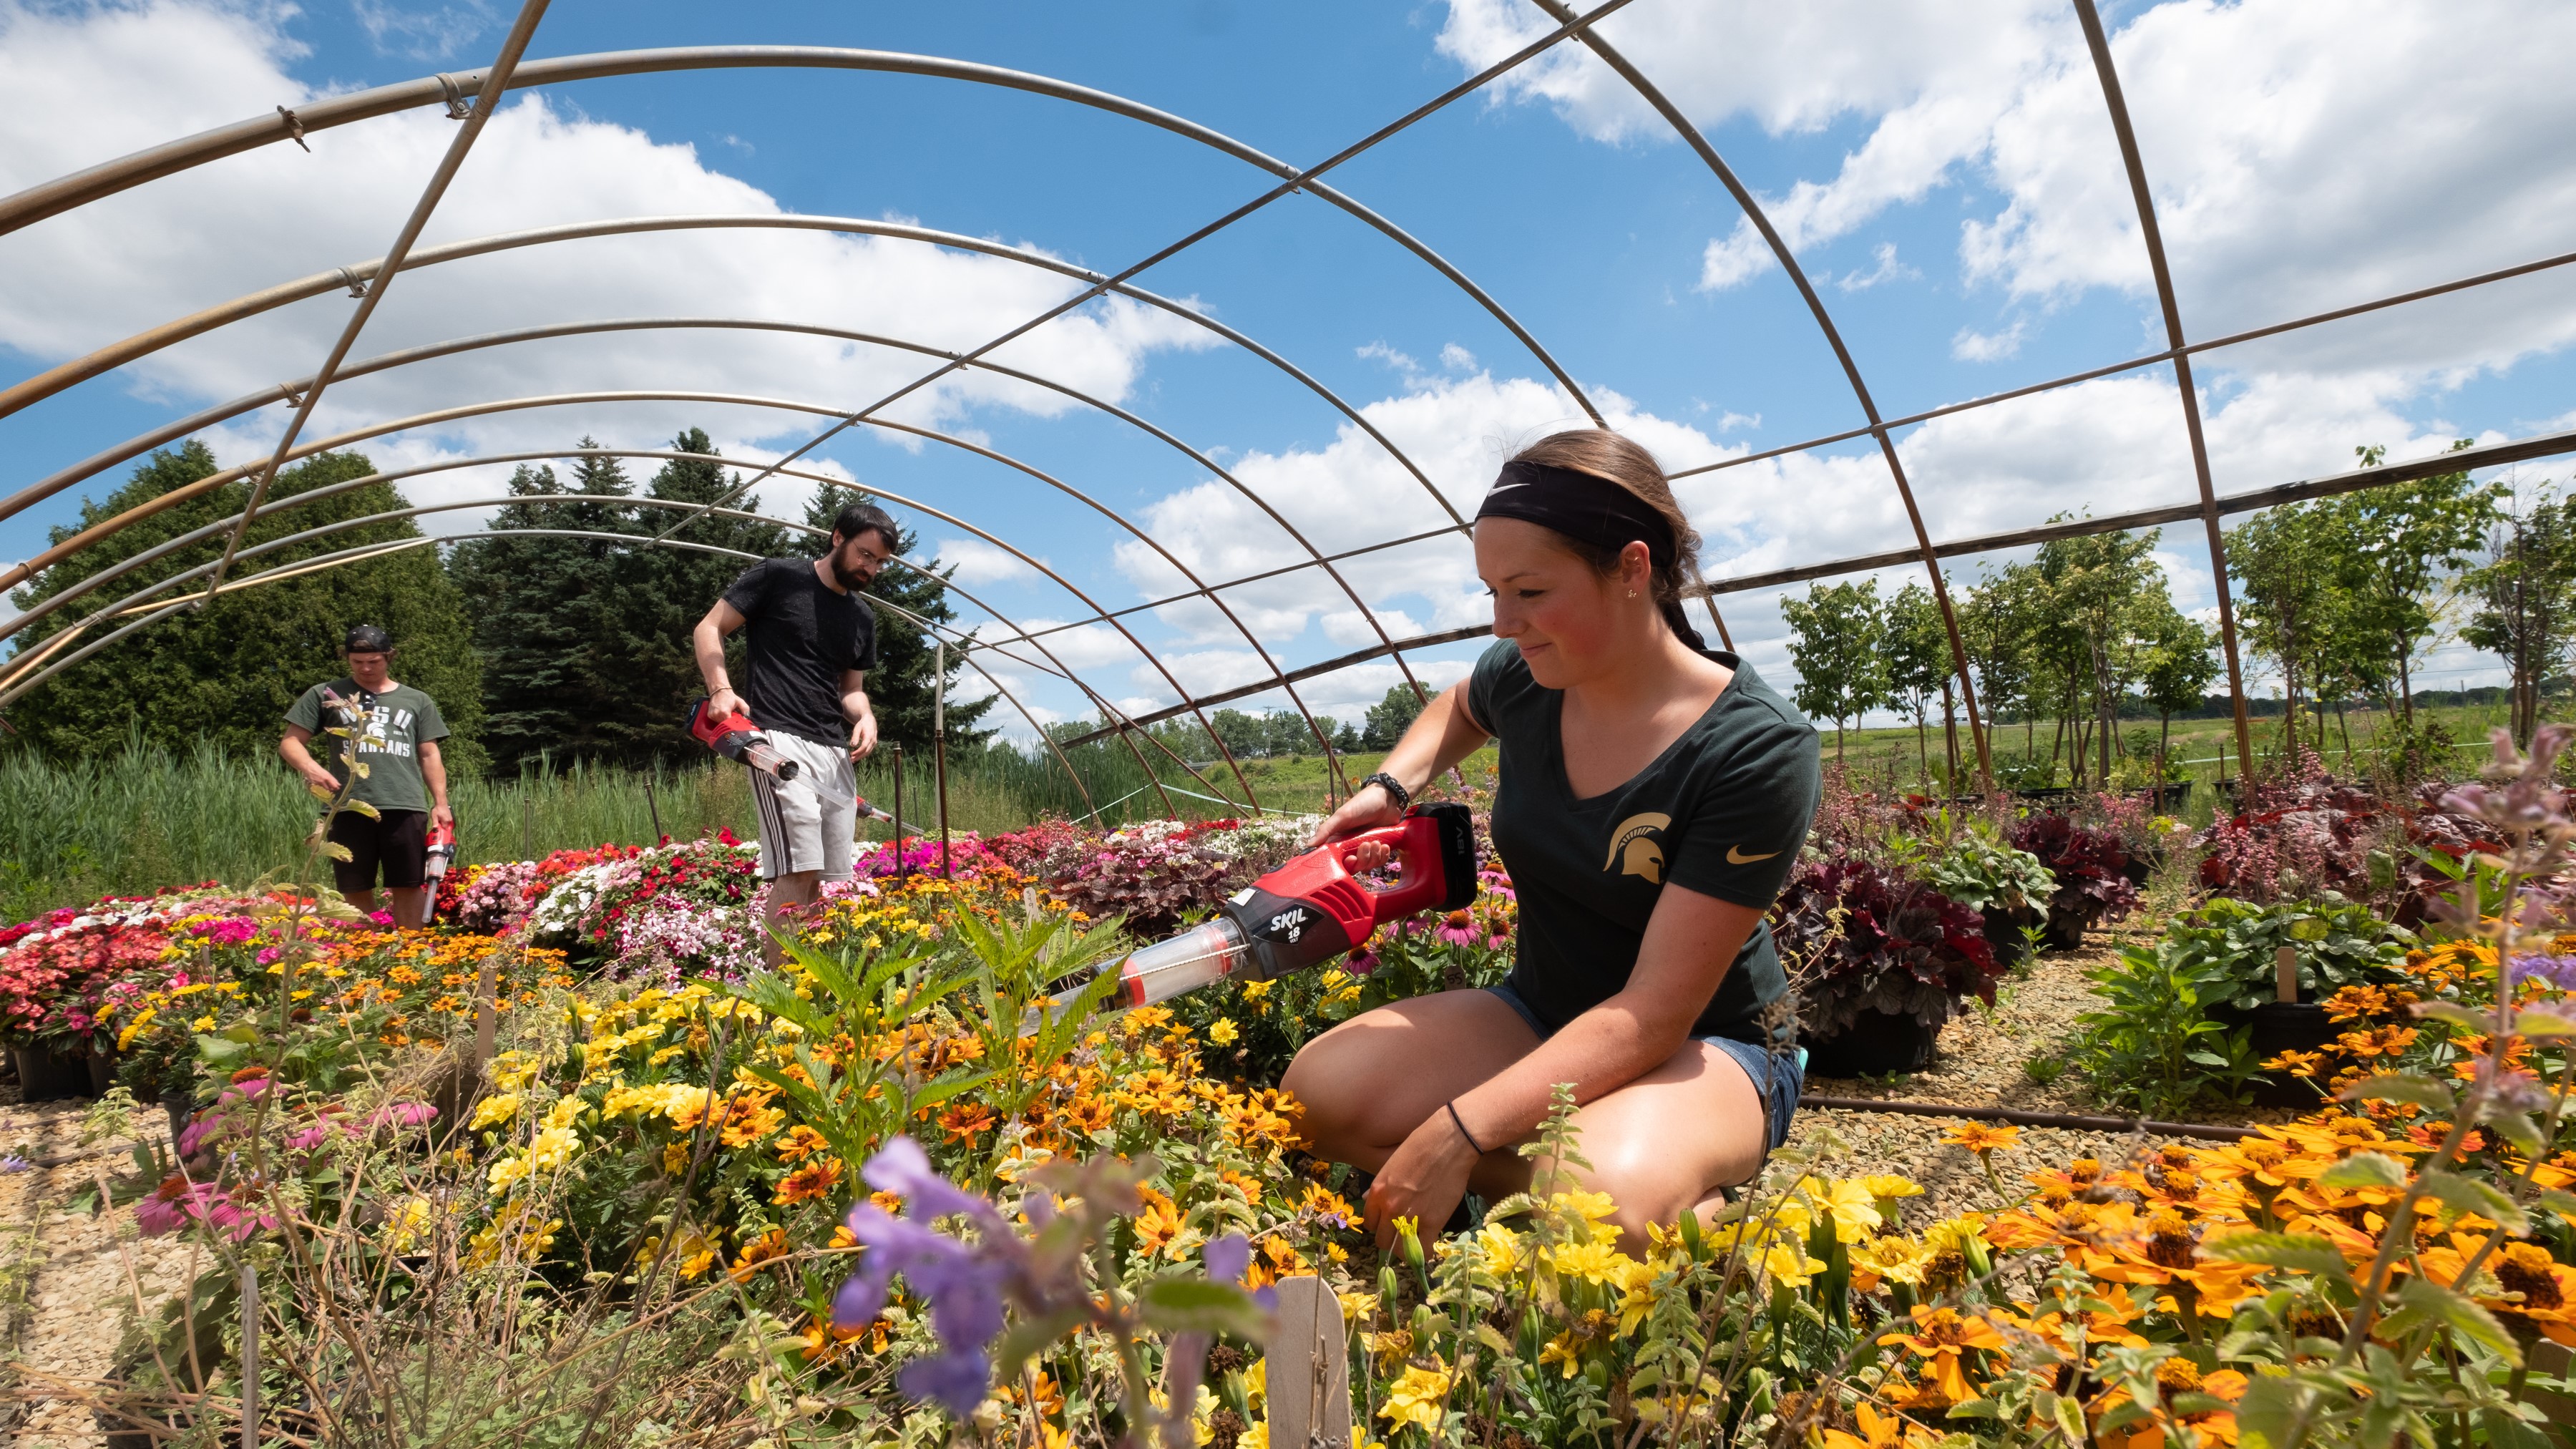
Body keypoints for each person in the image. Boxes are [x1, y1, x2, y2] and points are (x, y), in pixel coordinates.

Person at [1282, 429, 1822, 1251]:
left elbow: (1653, 1015)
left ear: (1633, 568)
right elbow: (1461, 706)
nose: (1504, 622)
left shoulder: (1753, 747)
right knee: (1317, 1097)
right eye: (1493, 590)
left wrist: (1456, 1132)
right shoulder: (1532, 678)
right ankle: (1593, 1200)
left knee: (1598, 1199)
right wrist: (1388, 789)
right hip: (1544, 1012)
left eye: (1529, 590)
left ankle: (1648, 1199)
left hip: (1709, 1043)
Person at [692, 500, 889, 964]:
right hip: (778, 742)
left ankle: (804, 983)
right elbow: (709, 628)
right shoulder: (779, 577)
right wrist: (720, 689)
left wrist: (865, 716)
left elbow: (851, 690)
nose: (872, 568)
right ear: (838, 536)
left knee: (820, 878)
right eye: (865, 554)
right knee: (798, 870)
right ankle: (777, 997)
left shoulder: (862, 617)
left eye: (880, 562)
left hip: (834, 752)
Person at [280, 625, 456, 924]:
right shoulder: (327, 694)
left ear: (389, 658)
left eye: (374, 661)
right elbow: (290, 742)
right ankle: (363, 953)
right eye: (357, 662)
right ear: (347, 658)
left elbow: (429, 754)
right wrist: (311, 768)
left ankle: (409, 956)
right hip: (346, 805)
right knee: (355, 886)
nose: (365, 668)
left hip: (403, 804)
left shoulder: (417, 700)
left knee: (409, 883)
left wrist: (441, 803)